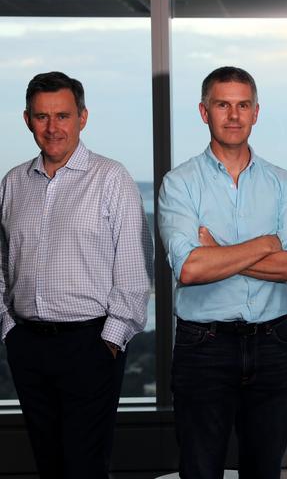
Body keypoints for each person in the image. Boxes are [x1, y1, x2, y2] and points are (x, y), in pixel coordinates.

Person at [158, 66, 287, 479]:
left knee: (264, 473)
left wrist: (222, 254)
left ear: (256, 112)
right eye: (222, 105)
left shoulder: (284, 183)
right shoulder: (179, 184)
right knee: (200, 471)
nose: (233, 115)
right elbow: (190, 268)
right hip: (202, 347)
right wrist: (266, 244)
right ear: (203, 111)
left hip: (272, 343)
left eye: (242, 105)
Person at [0, 71, 153, 479]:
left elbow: (136, 271)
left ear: (83, 118)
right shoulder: (13, 182)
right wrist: (8, 329)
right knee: (47, 465)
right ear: (27, 120)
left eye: (63, 116)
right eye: (42, 116)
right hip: (27, 346)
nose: (53, 128)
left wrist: (110, 342)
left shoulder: (112, 179)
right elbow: (1, 262)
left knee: (84, 467)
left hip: (91, 345)